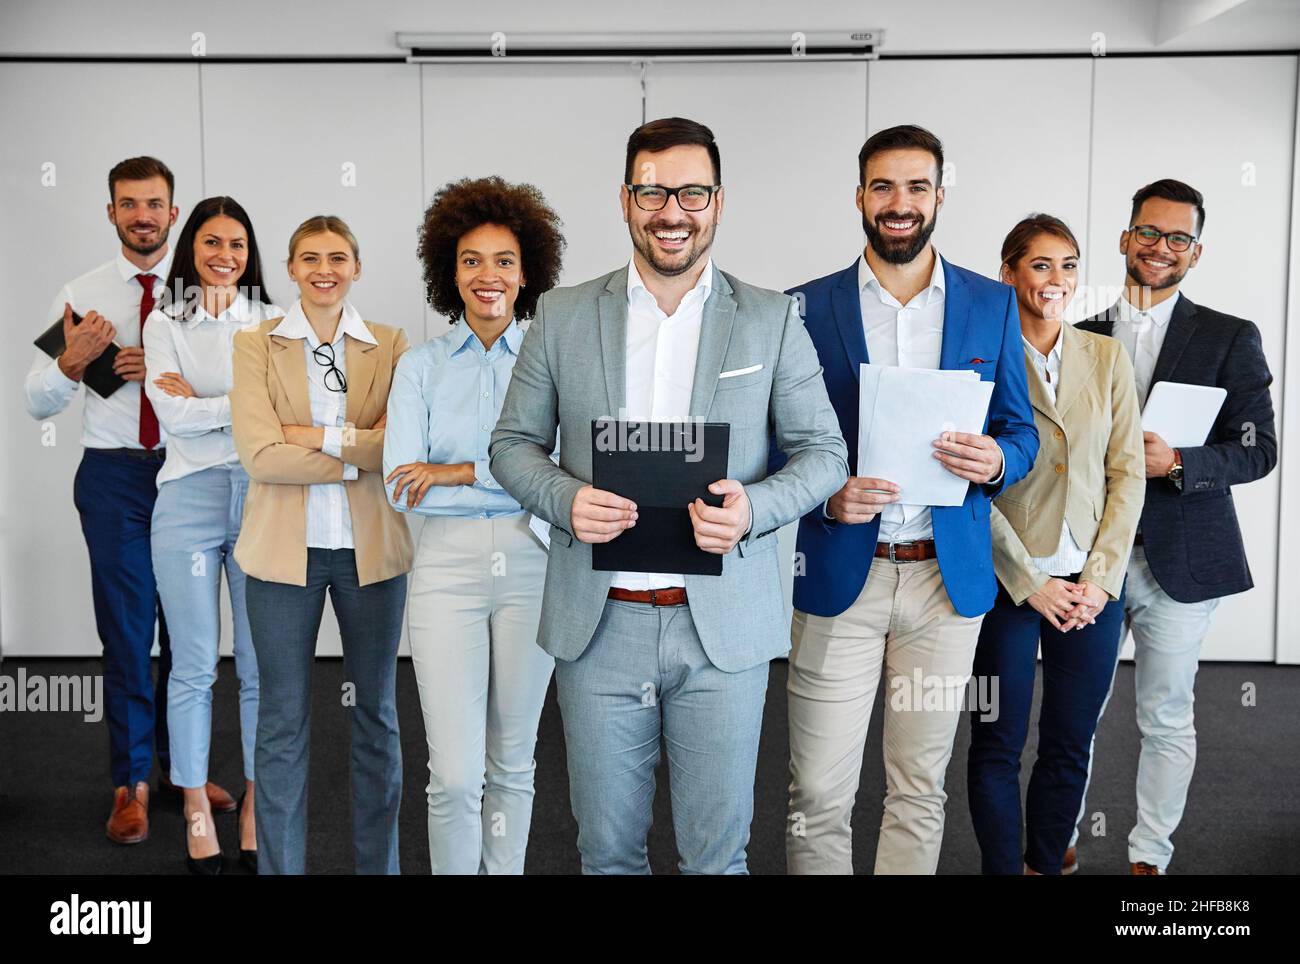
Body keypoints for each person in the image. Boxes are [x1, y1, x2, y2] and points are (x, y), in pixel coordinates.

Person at [490, 117, 848, 874]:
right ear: (625, 199)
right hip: (600, 626)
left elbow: (824, 456)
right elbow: (511, 446)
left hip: (722, 632)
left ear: (719, 202)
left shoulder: (771, 318)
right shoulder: (561, 315)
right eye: (652, 190)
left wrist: (753, 510)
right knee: (607, 853)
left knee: (716, 859)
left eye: (692, 191)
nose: (671, 210)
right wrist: (563, 498)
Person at [779, 124, 1040, 875]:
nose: (900, 203)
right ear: (860, 196)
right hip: (839, 576)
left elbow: (1020, 431)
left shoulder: (990, 304)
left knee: (919, 788)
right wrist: (827, 499)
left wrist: (996, 458)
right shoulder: (804, 307)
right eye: (884, 186)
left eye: (917, 187)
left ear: (939, 196)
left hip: (943, 580)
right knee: (819, 791)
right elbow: (777, 443)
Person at [23, 156, 235, 845]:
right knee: (127, 630)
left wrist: (169, 367)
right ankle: (131, 783)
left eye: (155, 204)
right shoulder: (81, 295)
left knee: (191, 632)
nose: (142, 215)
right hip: (115, 478)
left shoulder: (204, 292)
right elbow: (35, 402)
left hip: (192, 473)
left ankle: (186, 773)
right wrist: (70, 361)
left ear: (175, 214)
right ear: (109, 212)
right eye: (128, 204)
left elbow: (246, 391)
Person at [1068, 179, 1277, 875]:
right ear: (1126, 239)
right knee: (1078, 713)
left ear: (1196, 252)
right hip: (1090, 557)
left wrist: (1180, 461)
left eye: (1178, 238)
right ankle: (1057, 839)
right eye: (1149, 234)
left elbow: (1258, 448)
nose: (1161, 248)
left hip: (1183, 561)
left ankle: (1148, 857)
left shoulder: (1228, 336)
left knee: (1165, 715)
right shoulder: (1078, 334)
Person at [383, 176, 564, 874]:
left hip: (534, 561)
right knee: (454, 775)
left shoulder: (552, 362)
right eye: (471, 260)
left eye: (504, 261)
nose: (487, 276)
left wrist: (454, 473)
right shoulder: (419, 367)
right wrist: (517, 474)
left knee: (514, 762)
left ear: (528, 274)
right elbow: (403, 484)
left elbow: (563, 475)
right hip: (446, 566)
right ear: (448, 271)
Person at [230, 215, 412, 874]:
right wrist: (352, 452)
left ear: (357, 267)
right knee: (281, 722)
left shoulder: (391, 344)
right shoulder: (256, 345)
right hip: (282, 558)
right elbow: (260, 456)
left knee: (377, 715)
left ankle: (379, 868)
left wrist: (308, 436)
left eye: (338, 257)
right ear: (291, 267)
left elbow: (398, 448)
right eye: (310, 257)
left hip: (372, 558)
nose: (324, 269)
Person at [965, 215, 1145, 875]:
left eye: (1068, 265)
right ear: (1009, 271)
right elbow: (962, 489)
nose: (1057, 280)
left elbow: (1126, 474)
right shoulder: (978, 358)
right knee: (997, 744)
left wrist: (1100, 579)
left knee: (1071, 742)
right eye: (1041, 265)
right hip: (1006, 585)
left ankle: (1046, 864)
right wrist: (1030, 580)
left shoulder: (1106, 356)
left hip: (1089, 589)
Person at [144, 196, 282, 873]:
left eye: (235, 243)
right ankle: (195, 803)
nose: (224, 255)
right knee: (195, 663)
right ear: (190, 250)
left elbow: (281, 412)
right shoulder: (164, 320)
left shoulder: (275, 322)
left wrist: (207, 405)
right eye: (209, 243)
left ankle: (256, 801)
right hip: (188, 501)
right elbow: (169, 413)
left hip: (262, 497)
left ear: (249, 250)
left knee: (258, 664)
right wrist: (239, 406)